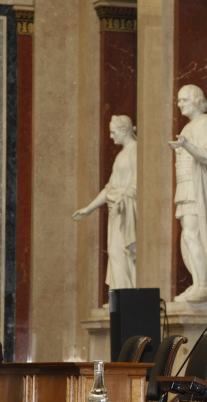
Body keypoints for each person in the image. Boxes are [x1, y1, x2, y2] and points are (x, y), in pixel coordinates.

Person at [73, 115, 138, 289]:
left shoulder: (135, 151)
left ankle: (125, 295)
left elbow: (138, 181)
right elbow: (109, 188)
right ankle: (120, 294)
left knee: (120, 251)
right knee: (114, 252)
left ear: (124, 130)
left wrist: (123, 198)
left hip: (124, 209)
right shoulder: (121, 155)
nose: (111, 136)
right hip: (115, 209)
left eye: (113, 132)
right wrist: (88, 209)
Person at [169, 85, 207, 303]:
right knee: (186, 237)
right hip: (185, 186)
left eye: (184, 100)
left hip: (196, 188)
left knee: (191, 235)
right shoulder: (190, 126)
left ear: (197, 100)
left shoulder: (206, 122)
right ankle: (198, 281)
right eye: (179, 100)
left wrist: (187, 145)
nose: (179, 104)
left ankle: (205, 285)